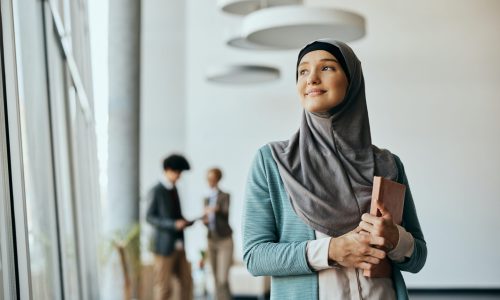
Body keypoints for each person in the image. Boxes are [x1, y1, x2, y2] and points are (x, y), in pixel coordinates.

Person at [242, 39, 427, 300]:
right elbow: (255, 257)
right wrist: (331, 250)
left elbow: (418, 257)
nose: (312, 79)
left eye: (327, 68)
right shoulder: (273, 162)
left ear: (352, 81)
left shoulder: (389, 164)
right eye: (303, 71)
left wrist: (396, 238)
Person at [147, 154, 194, 300]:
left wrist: (184, 221)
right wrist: (173, 224)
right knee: (164, 287)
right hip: (163, 247)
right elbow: (149, 217)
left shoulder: (174, 189)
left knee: (187, 283)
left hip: (179, 245)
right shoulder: (156, 190)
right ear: (167, 169)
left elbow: (175, 215)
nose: (179, 176)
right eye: (177, 172)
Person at [203, 168, 233, 300]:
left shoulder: (224, 196)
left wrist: (216, 209)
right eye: (208, 178)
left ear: (218, 179)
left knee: (222, 279)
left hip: (225, 241)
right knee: (215, 280)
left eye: (213, 178)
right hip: (211, 239)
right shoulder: (206, 198)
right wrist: (204, 220)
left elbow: (225, 213)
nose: (210, 181)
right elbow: (207, 221)